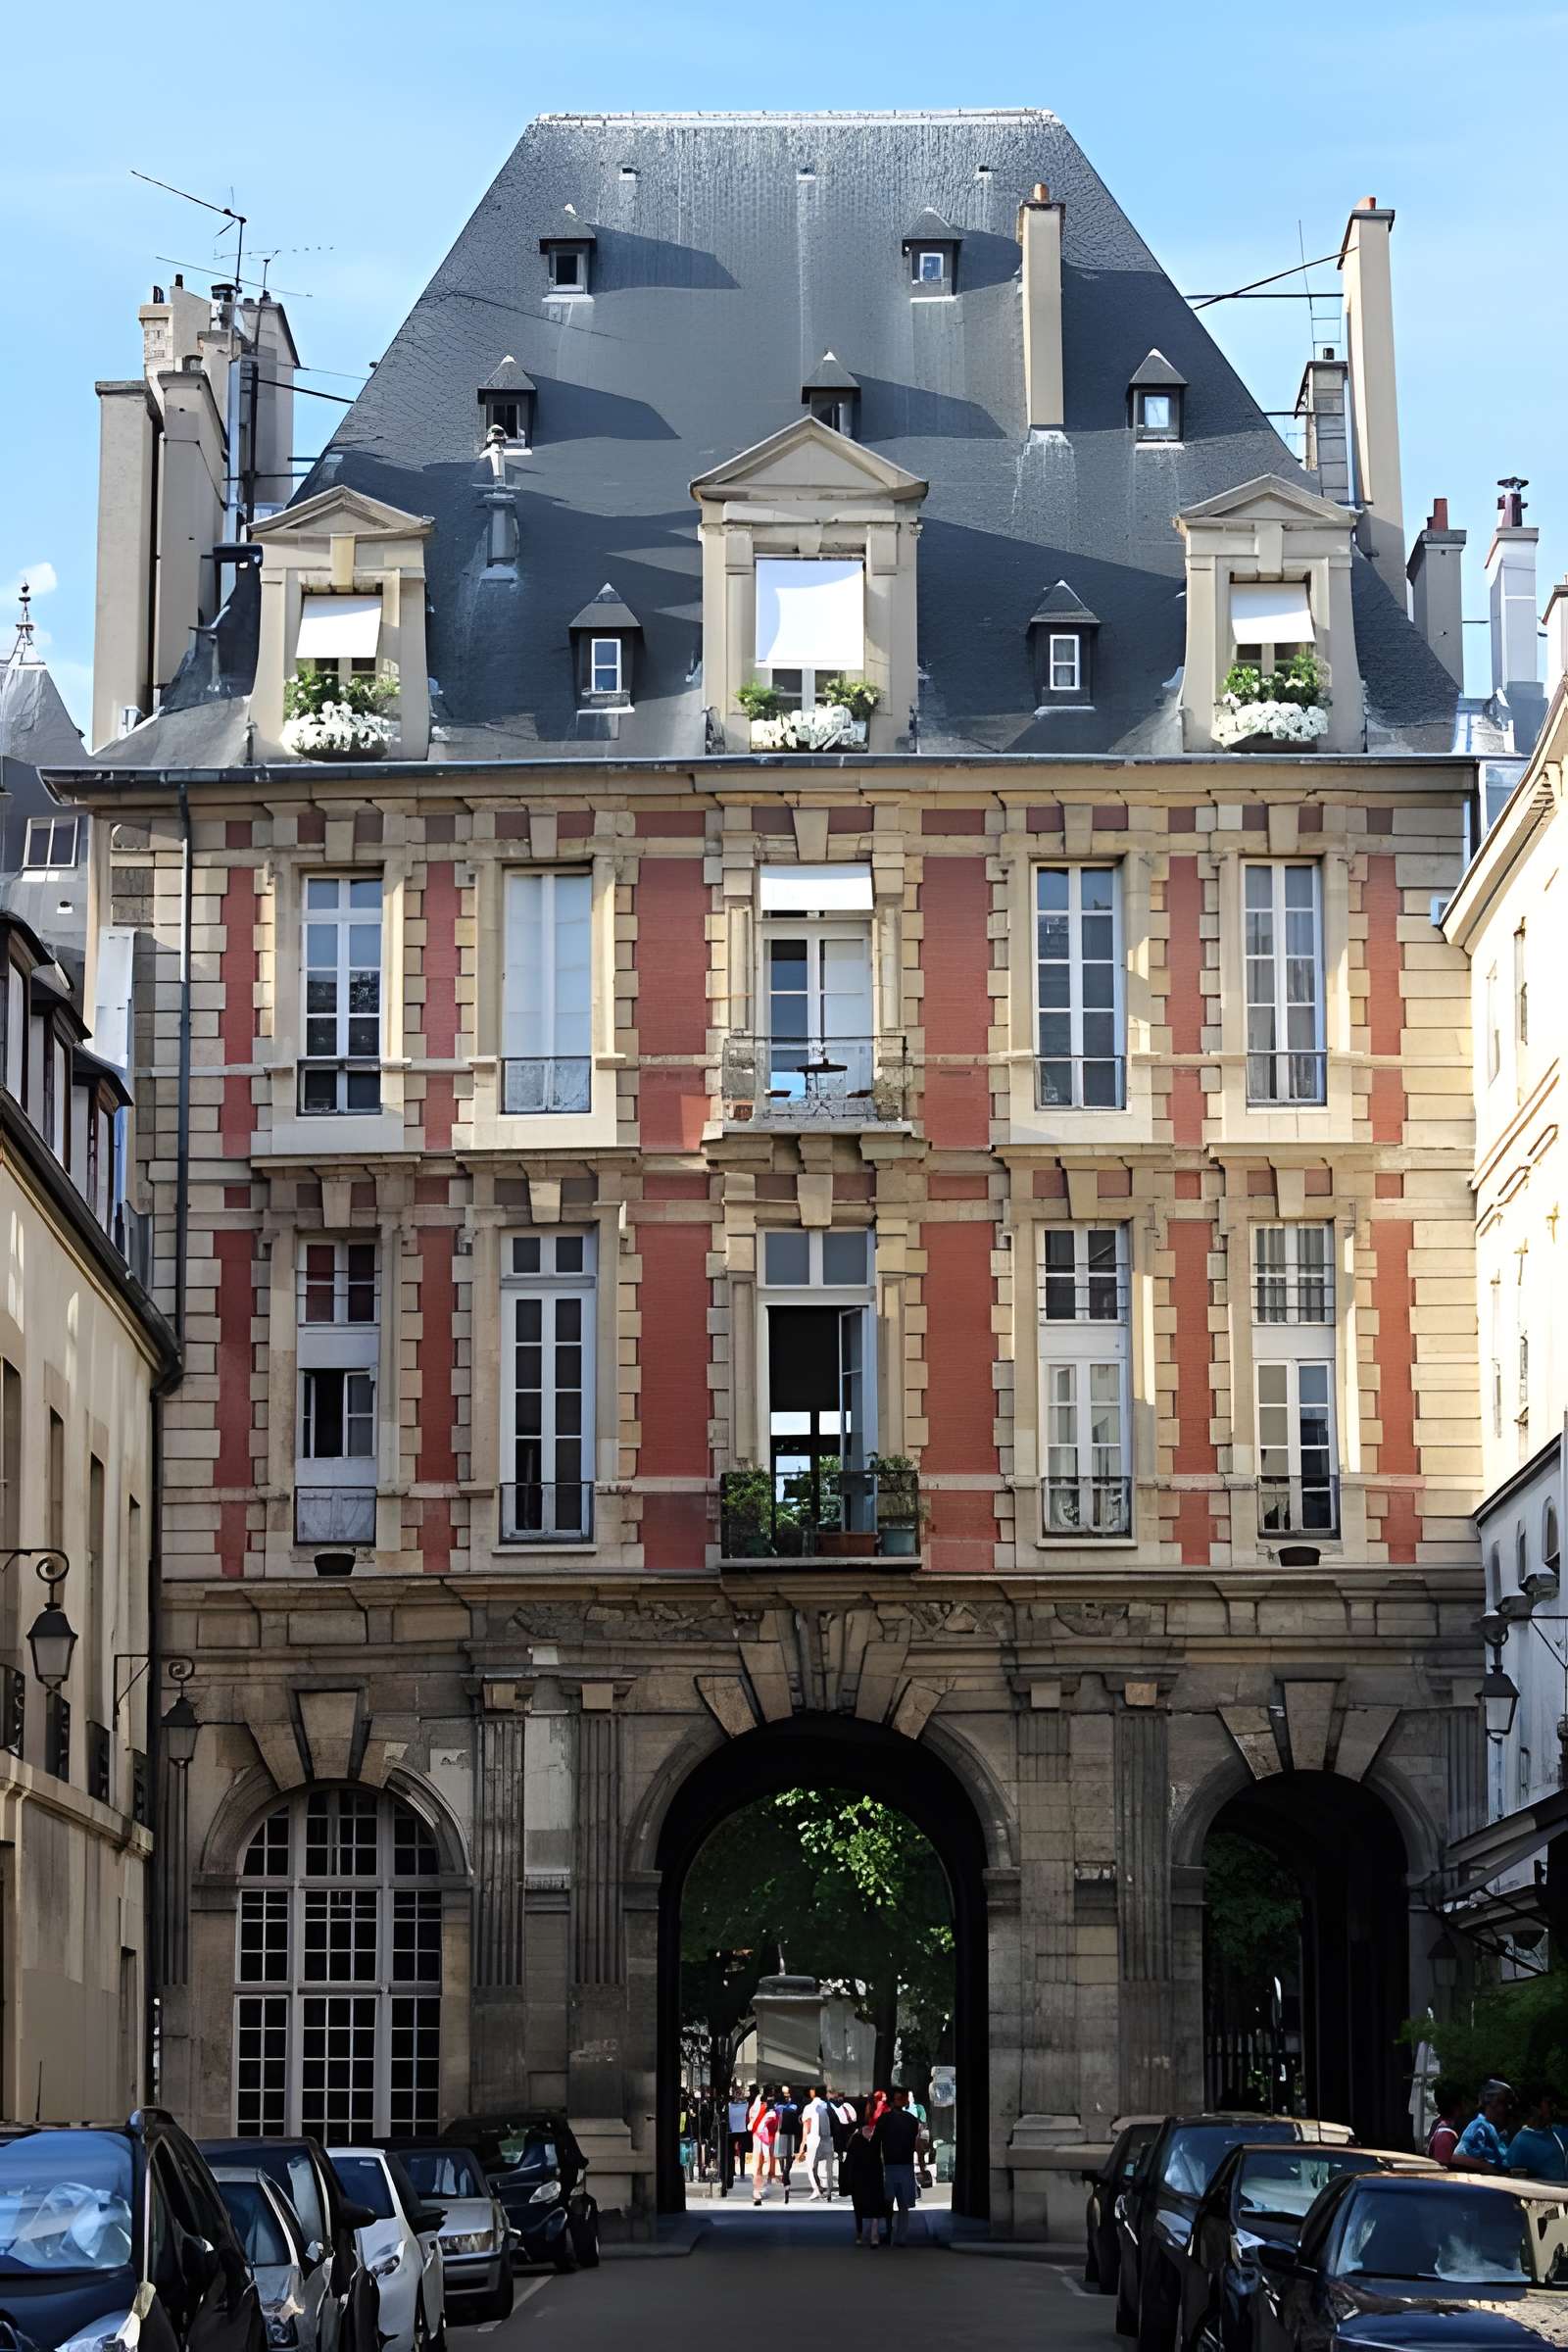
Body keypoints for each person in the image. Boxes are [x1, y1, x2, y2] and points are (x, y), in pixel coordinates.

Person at [874, 2087, 922, 2245]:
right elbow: (917, 2144)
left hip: (889, 2165)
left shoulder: (884, 2119)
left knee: (887, 2201)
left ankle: (888, 2231)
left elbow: (876, 2142)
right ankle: (901, 2236)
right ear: (903, 2100)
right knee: (903, 2205)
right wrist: (921, 2165)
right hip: (906, 2165)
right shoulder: (911, 2120)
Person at [842, 2111, 887, 2247]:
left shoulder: (878, 2138)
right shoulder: (855, 2140)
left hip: (875, 2176)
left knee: (875, 2205)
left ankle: (874, 2233)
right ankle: (860, 2232)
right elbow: (850, 2162)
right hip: (859, 2178)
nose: (870, 2129)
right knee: (859, 2207)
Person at [1506, 2086, 1568, 2181]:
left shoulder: (1557, 2133)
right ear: (1535, 2108)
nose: (1554, 2107)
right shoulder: (1521, 2141)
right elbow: (1518, 2181)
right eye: (1549, 2103)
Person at [1453, 2080, 1512, 2171]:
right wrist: (1489, 2167)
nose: (1508, 2108)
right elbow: (1456, 2158)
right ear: (1492, 2103)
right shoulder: (1479, 2126)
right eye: (1504, 2103)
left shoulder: (1500, 2131)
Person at [803, 2085, 836, 2200]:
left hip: (813, 2139)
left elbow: (806, 2127)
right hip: (827, 2139)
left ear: (814, 2094)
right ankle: (829, 2191)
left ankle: (816, 2190)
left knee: (810, 2166)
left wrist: (802, 2144)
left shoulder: (809, 2107)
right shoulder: (828, 2106)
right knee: (827, 2166)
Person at [1426, 2080, 1468, 2168]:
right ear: (1456, 2106)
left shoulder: (1439, 2124)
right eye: (1464, 2101)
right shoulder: (1445, 2134)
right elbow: (1443, 2169)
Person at [749, 2085, 777, 2204]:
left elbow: (750, 2118)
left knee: (760, 2163)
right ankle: (757, 2190)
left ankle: (758, 2189)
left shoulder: (757, 2104)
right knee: (759, 2163)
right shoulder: (765, 2106)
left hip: (761, 2135)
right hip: (762, 2136)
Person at [774, 2083, 802, 2203]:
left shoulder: (790, 2106)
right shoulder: (783, 2106)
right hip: (783, 2134)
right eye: (785, 2094)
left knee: (787, 2157)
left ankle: (785, 2173)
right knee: (783, 2156)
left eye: (788, 2094)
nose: (787, 2096)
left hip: (788, 2134)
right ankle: (784, 2173)